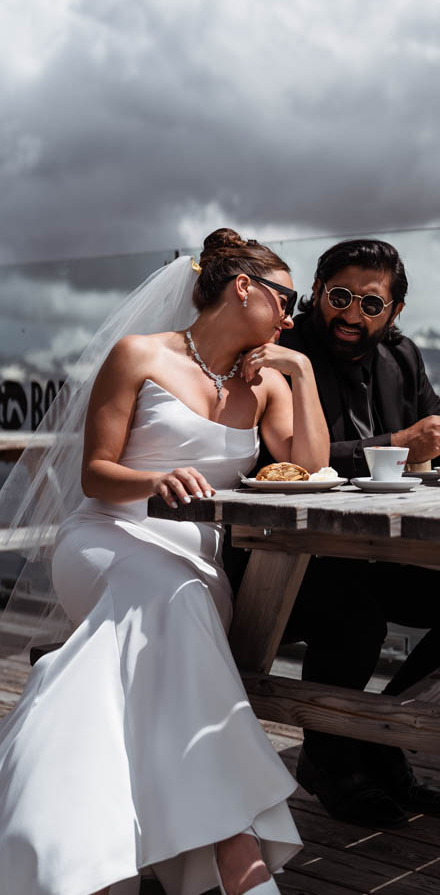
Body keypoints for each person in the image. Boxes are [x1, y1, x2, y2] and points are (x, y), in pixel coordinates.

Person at [0, 229, 330, 895]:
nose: (293, 316)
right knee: (170, 601)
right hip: (106, 537)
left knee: (146, 634)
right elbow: (94, 475)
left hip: (198, 564)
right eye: (286, 298)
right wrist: (153, 483)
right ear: (245, 287)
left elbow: (312, 466)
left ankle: (64, 845)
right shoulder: (138, 356)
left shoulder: (266, 382)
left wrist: (299, 370)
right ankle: (239, 854)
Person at [276, 237, 440, 828]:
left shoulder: (403, 356)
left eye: (371, 304)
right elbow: (274, 459)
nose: (352, 315)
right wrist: (397, 446)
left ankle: (381, 732)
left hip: (379, 553)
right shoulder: (283, 349)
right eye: (339, 296)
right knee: (354, 619)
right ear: (314, 292)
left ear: (395, 313)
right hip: (291, 557)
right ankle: (330, 760)